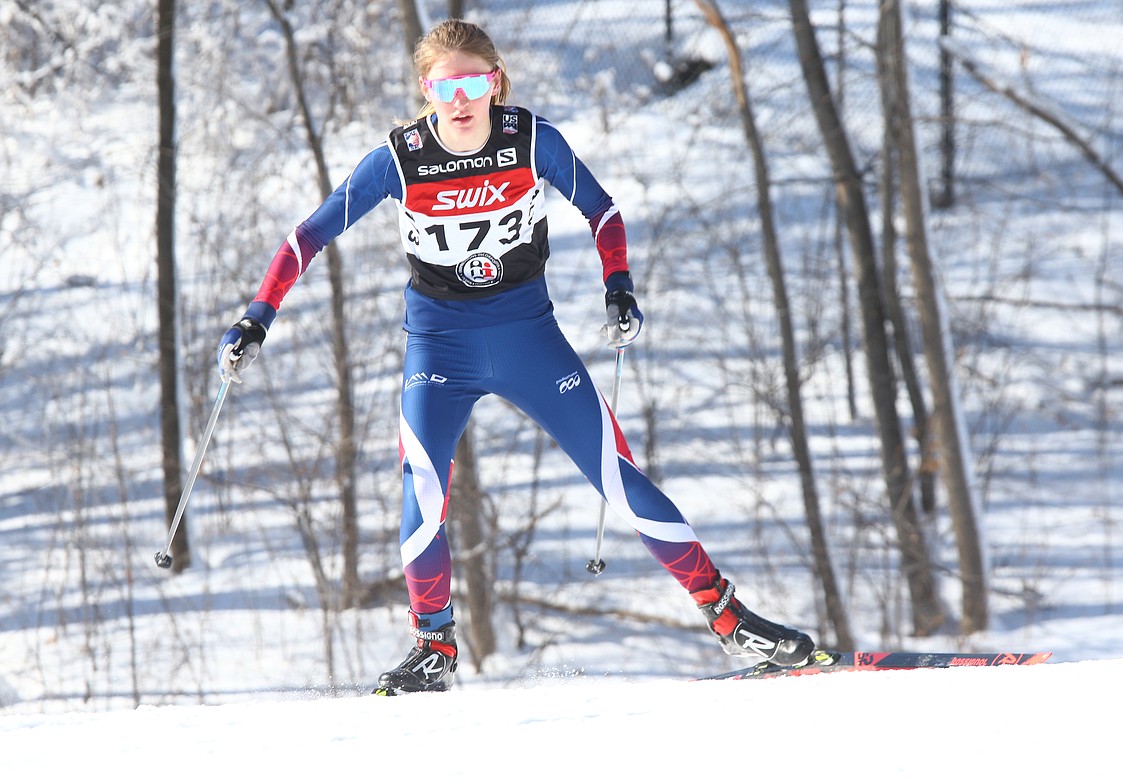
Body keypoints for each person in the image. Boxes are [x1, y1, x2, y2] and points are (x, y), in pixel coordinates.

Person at [217, 19, 815, 695]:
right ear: (428, 90)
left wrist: (617, 286)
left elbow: (605, 211)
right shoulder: (399, 158)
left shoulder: (532, 140)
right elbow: (307, 237)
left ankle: (730, 618)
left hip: (529, 337)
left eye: (476, 81)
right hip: (441, 344)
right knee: (421, 486)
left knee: (615, 474)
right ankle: (433, 645)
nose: (463, 98)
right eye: (447, 85)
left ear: (496, 81)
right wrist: (254, 318)